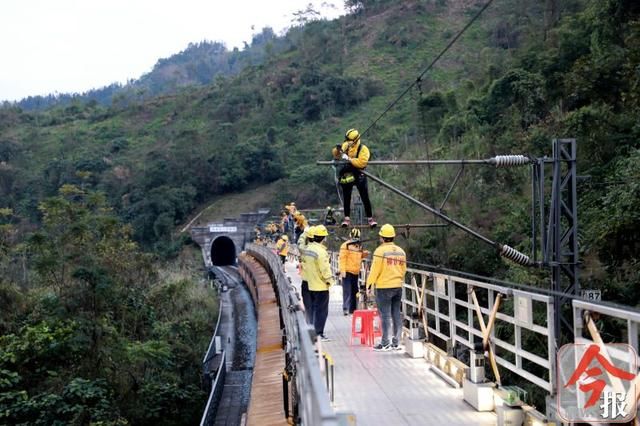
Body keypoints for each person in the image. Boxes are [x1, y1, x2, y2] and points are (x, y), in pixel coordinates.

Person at [366, 224, 406, 351]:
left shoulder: (379, 251)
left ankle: (385, 342)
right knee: (396, 314)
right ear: (393, 236)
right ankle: (396, 342)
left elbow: (374, 270)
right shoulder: (401, 251)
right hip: (397, 286)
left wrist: (369, 284)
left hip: (384, 287)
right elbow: (403, 269)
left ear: (382, 237)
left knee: (385, 315)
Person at [332, 128, 377, 228]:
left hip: (359, 173)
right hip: (348, 174)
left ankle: (370, 218)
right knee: (347, 196)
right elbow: (337, 155)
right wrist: (338, 151)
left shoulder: (363, 149)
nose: (348, 143)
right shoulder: (346, 145)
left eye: (349, 141)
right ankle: (347, 218)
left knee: (364, 196)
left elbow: (362, 162)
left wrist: (349, 159)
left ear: (355, 140)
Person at [306, 224, 334, 341]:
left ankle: (312, 332)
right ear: (323, 238)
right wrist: (330, 281)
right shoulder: (321, 252)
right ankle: (319, 333)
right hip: (321, 286)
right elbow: (325, 269)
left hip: (311, 284)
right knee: (321, 311)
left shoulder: (308, 249)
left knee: (313, 310)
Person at [338, 228, 369, 315]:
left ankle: (352, 309)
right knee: (347, 290)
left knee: (354, 291)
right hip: (347, 271)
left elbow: (359, 256)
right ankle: (346, 308)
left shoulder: (358, 246)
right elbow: (342, 259)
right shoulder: (346, 245)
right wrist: (342, 270)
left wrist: (364, 254)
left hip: (355, 272)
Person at [297, 225, 316, 323]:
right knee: (316, 306)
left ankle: (310, 326)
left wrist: (304, 233)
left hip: (307, 281)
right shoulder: (320, 250)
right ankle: (316, 327)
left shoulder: (305, 250)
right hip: (317, 283)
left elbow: (300, 245)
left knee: (308, 305)